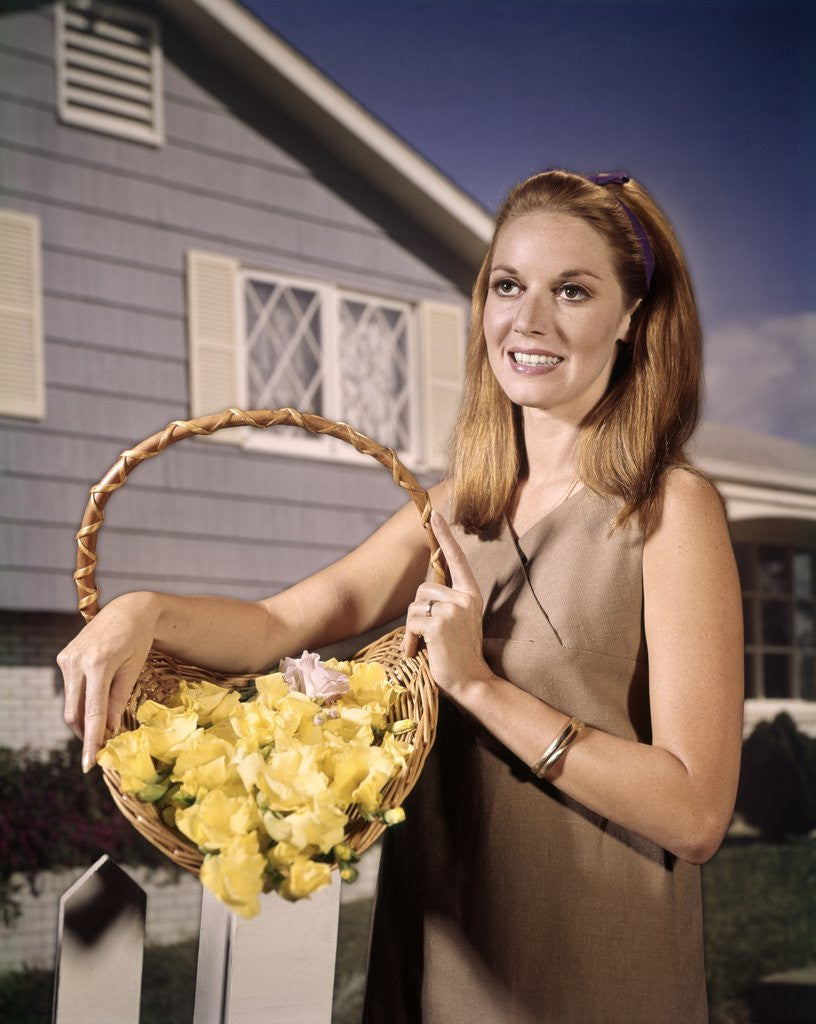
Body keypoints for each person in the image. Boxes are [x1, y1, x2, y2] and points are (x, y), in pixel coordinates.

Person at [58, 168, 743, 1023]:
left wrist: (480, 688)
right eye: (507, 286)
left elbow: (696, 813)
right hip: (439, 957)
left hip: (594, 970)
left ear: (632, 318)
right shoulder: (455, 510)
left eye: (572, 290)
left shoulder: (669, 509)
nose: (527, 321)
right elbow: (276, 625)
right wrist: (140, 612)